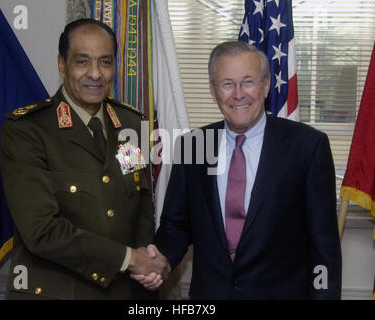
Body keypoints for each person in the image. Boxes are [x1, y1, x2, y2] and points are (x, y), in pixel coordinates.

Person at [132, 41, 342, 299]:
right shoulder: (194, 145)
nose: (239, 94)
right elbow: (176, 225)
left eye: (248, 82)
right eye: (227, 84)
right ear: (213, 90)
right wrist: (160, 261)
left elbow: (324, 247)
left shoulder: (307, 147)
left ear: (265, 85)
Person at [0, 18, 169, 300]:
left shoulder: (131, 125)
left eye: (105, 62)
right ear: (61, 65)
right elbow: (42, 231)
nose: (95, 74)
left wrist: (148, 266)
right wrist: (130, 259)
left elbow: (140, 212)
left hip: (122, 292)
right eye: (82, 62)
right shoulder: (27, 130)